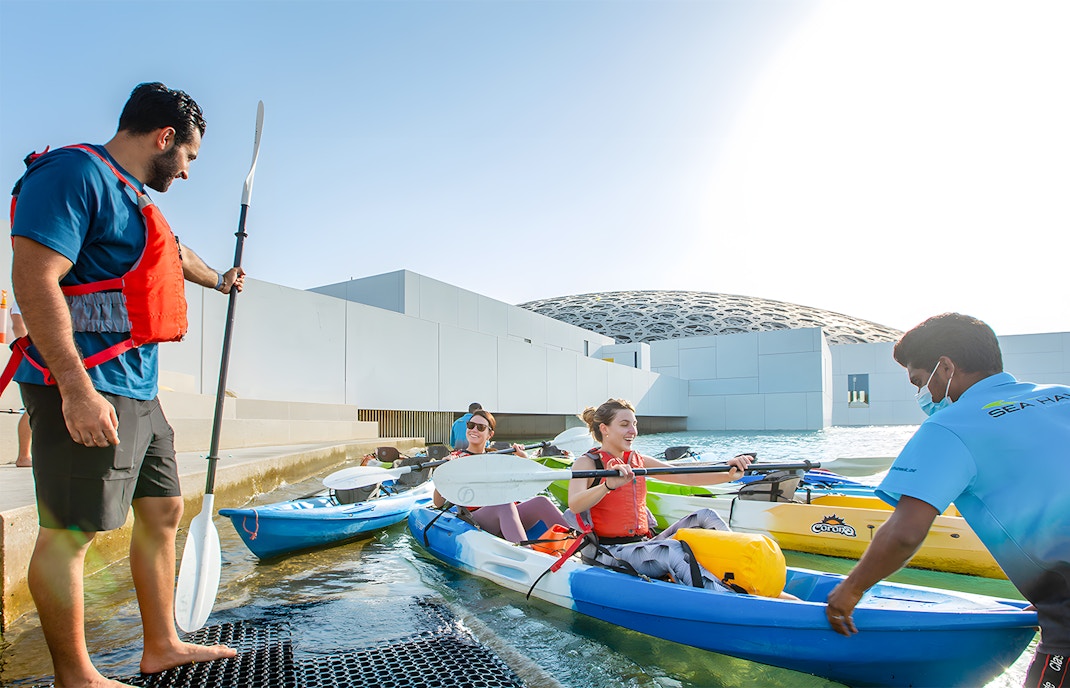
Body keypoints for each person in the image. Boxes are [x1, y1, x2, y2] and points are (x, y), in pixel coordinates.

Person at [9, 82, 242, 686]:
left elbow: (175, 255)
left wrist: (220, 280)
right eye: (189, 157)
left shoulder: (131, 196)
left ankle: (162, 644)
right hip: (84, 384)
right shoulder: (71, 175)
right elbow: (35, 278)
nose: (187, 172)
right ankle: (75, 675)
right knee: (71, 532)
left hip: (137, 386)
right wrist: (75, 389)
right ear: (165, 138)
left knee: (163, 509)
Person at [825, 313, 1070, 687]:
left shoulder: (949, 426)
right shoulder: (1062, 394)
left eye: (920, 381)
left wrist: (850, 590)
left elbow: (905, 532)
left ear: (946, 367)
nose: (921, 394)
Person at [567, 398, 754, 589]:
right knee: (671, 550)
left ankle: (743, 574)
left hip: (643, 544)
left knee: (706, 515)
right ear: (604, 429)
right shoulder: (588, 463)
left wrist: (728, 474)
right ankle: (722, 595)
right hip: (609, 551)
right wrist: (607, 486)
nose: (633, 431)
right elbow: (574, 504)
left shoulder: (639, 460)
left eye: (634, 424)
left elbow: (686, 478)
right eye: (624, 425)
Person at [433, 408, 571, 544]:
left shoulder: (497, 457)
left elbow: (527, 481)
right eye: (471, 425)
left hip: (508, 512)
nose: (474, 430)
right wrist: (444, 473)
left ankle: (579, 545)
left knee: (541, 502)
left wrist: (523, 458)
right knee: (504, 503)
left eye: (480, 427)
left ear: (489, 434)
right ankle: (525, 553)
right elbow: (438, 503)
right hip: (478, 517)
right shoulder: (455, 458)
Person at [9, 297, 32, 467]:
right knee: (32, 408)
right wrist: (30, 352)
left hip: (34, 356)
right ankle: (23, 456)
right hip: (32, 358)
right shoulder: (23, 296)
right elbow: (18, 326)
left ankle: (26, 455)